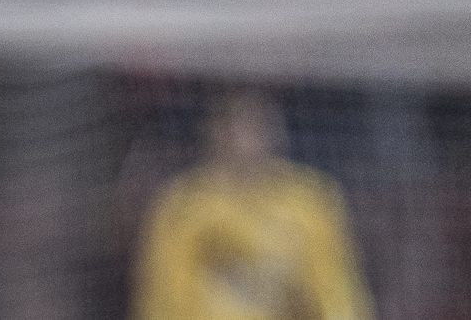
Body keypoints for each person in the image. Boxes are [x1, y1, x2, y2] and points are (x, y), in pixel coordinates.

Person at [131, 88, 375, 320]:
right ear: (217, 133)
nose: (252, 139)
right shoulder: (183, 205)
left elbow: (336, 293)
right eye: (242, 128)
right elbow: (163, 299)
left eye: (260, 127)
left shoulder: (309, 201)